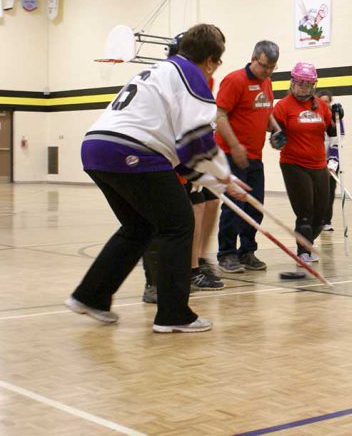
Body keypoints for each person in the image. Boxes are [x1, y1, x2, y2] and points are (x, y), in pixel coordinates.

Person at [68, 23, 247, 333]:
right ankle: (174, 314)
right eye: (217, 63)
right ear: (210, 60)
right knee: (178, 224)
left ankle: (91, 296)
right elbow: (197, 141)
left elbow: (181, 155)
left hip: (96, 148)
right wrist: (225, 178)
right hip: (131, 150)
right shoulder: (192, 75)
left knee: (140, 226)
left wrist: (219, 182)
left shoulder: (161, 70)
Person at [214, 40, 279, 273]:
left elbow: (266, 111)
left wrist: (276, 129)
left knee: (255, 205)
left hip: (255, 155)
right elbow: (219, 115)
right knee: (234, 205)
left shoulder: (267, 82)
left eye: (273, 67)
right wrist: (235, 145)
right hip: (231, 154)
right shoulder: (234, 80)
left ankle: (247, 251)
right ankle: (227, 254)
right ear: (254, 58)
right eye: (265, 66)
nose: (268, 71)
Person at [272, 63, 342, 278]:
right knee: (305, 211)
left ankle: (307, 245)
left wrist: (338, 115)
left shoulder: (321, 106)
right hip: (294, 164)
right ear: (292, 82)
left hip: (318, 164)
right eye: (300, 83)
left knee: (321, 214)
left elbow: (331, 130)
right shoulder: (283, 106)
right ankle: (302, 252)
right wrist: (277, 139)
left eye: (308, 84)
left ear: (314, 85)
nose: (303, 88)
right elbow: (275, 137)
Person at [318, 90, 339, 231]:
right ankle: (317, 220)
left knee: (330, 192)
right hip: (316, 161)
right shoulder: (314, 117)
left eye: (328, 102)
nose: (326, 104)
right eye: (323, 101)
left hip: (330, 161)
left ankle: (327, 220)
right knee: (317, 193)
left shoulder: (334, 121)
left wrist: (332, 163)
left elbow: (336, 143)